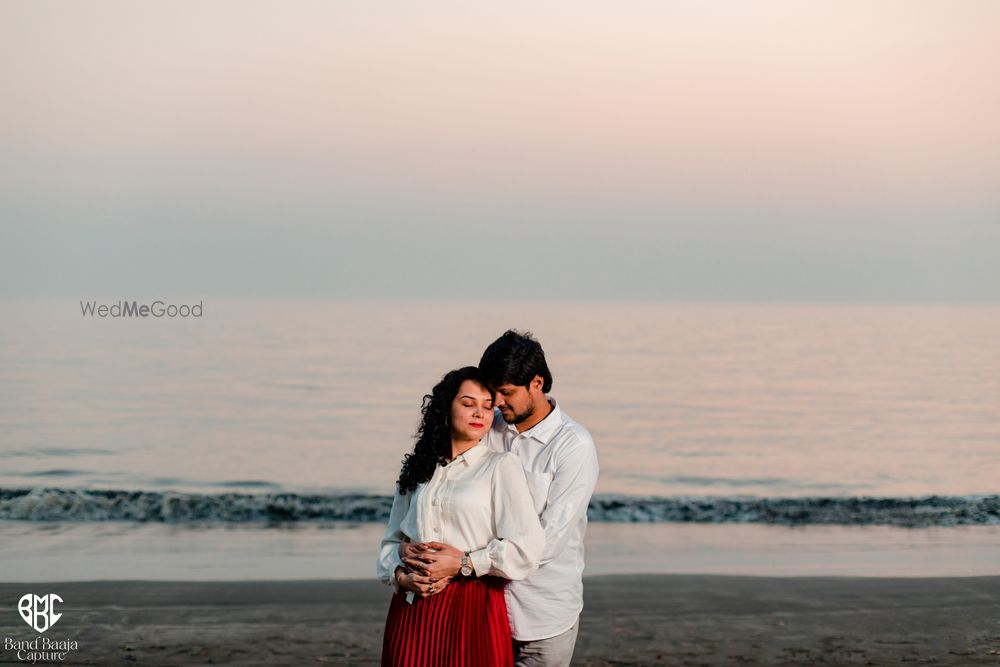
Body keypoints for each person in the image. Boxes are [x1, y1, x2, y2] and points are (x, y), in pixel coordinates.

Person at [403, 331, 599, 667]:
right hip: (477, 609)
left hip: (541, 614)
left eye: (506, 393)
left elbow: (545, 544)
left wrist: (465, 563)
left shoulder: (573, 447)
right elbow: (448, 492)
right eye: (494, 393)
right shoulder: (486, 426)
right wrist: (412, 546)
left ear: (537, 383)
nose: (498, 403)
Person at [377, 366, 544, 667]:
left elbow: (526, 549)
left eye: (487, 406)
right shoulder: (416, 469)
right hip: (412, 605)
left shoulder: (500, 466)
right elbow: (390, 543)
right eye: (468, 404)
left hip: (473, 604)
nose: (479, 413)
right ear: (446, 407)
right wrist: (402, 577)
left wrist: (465, 563)